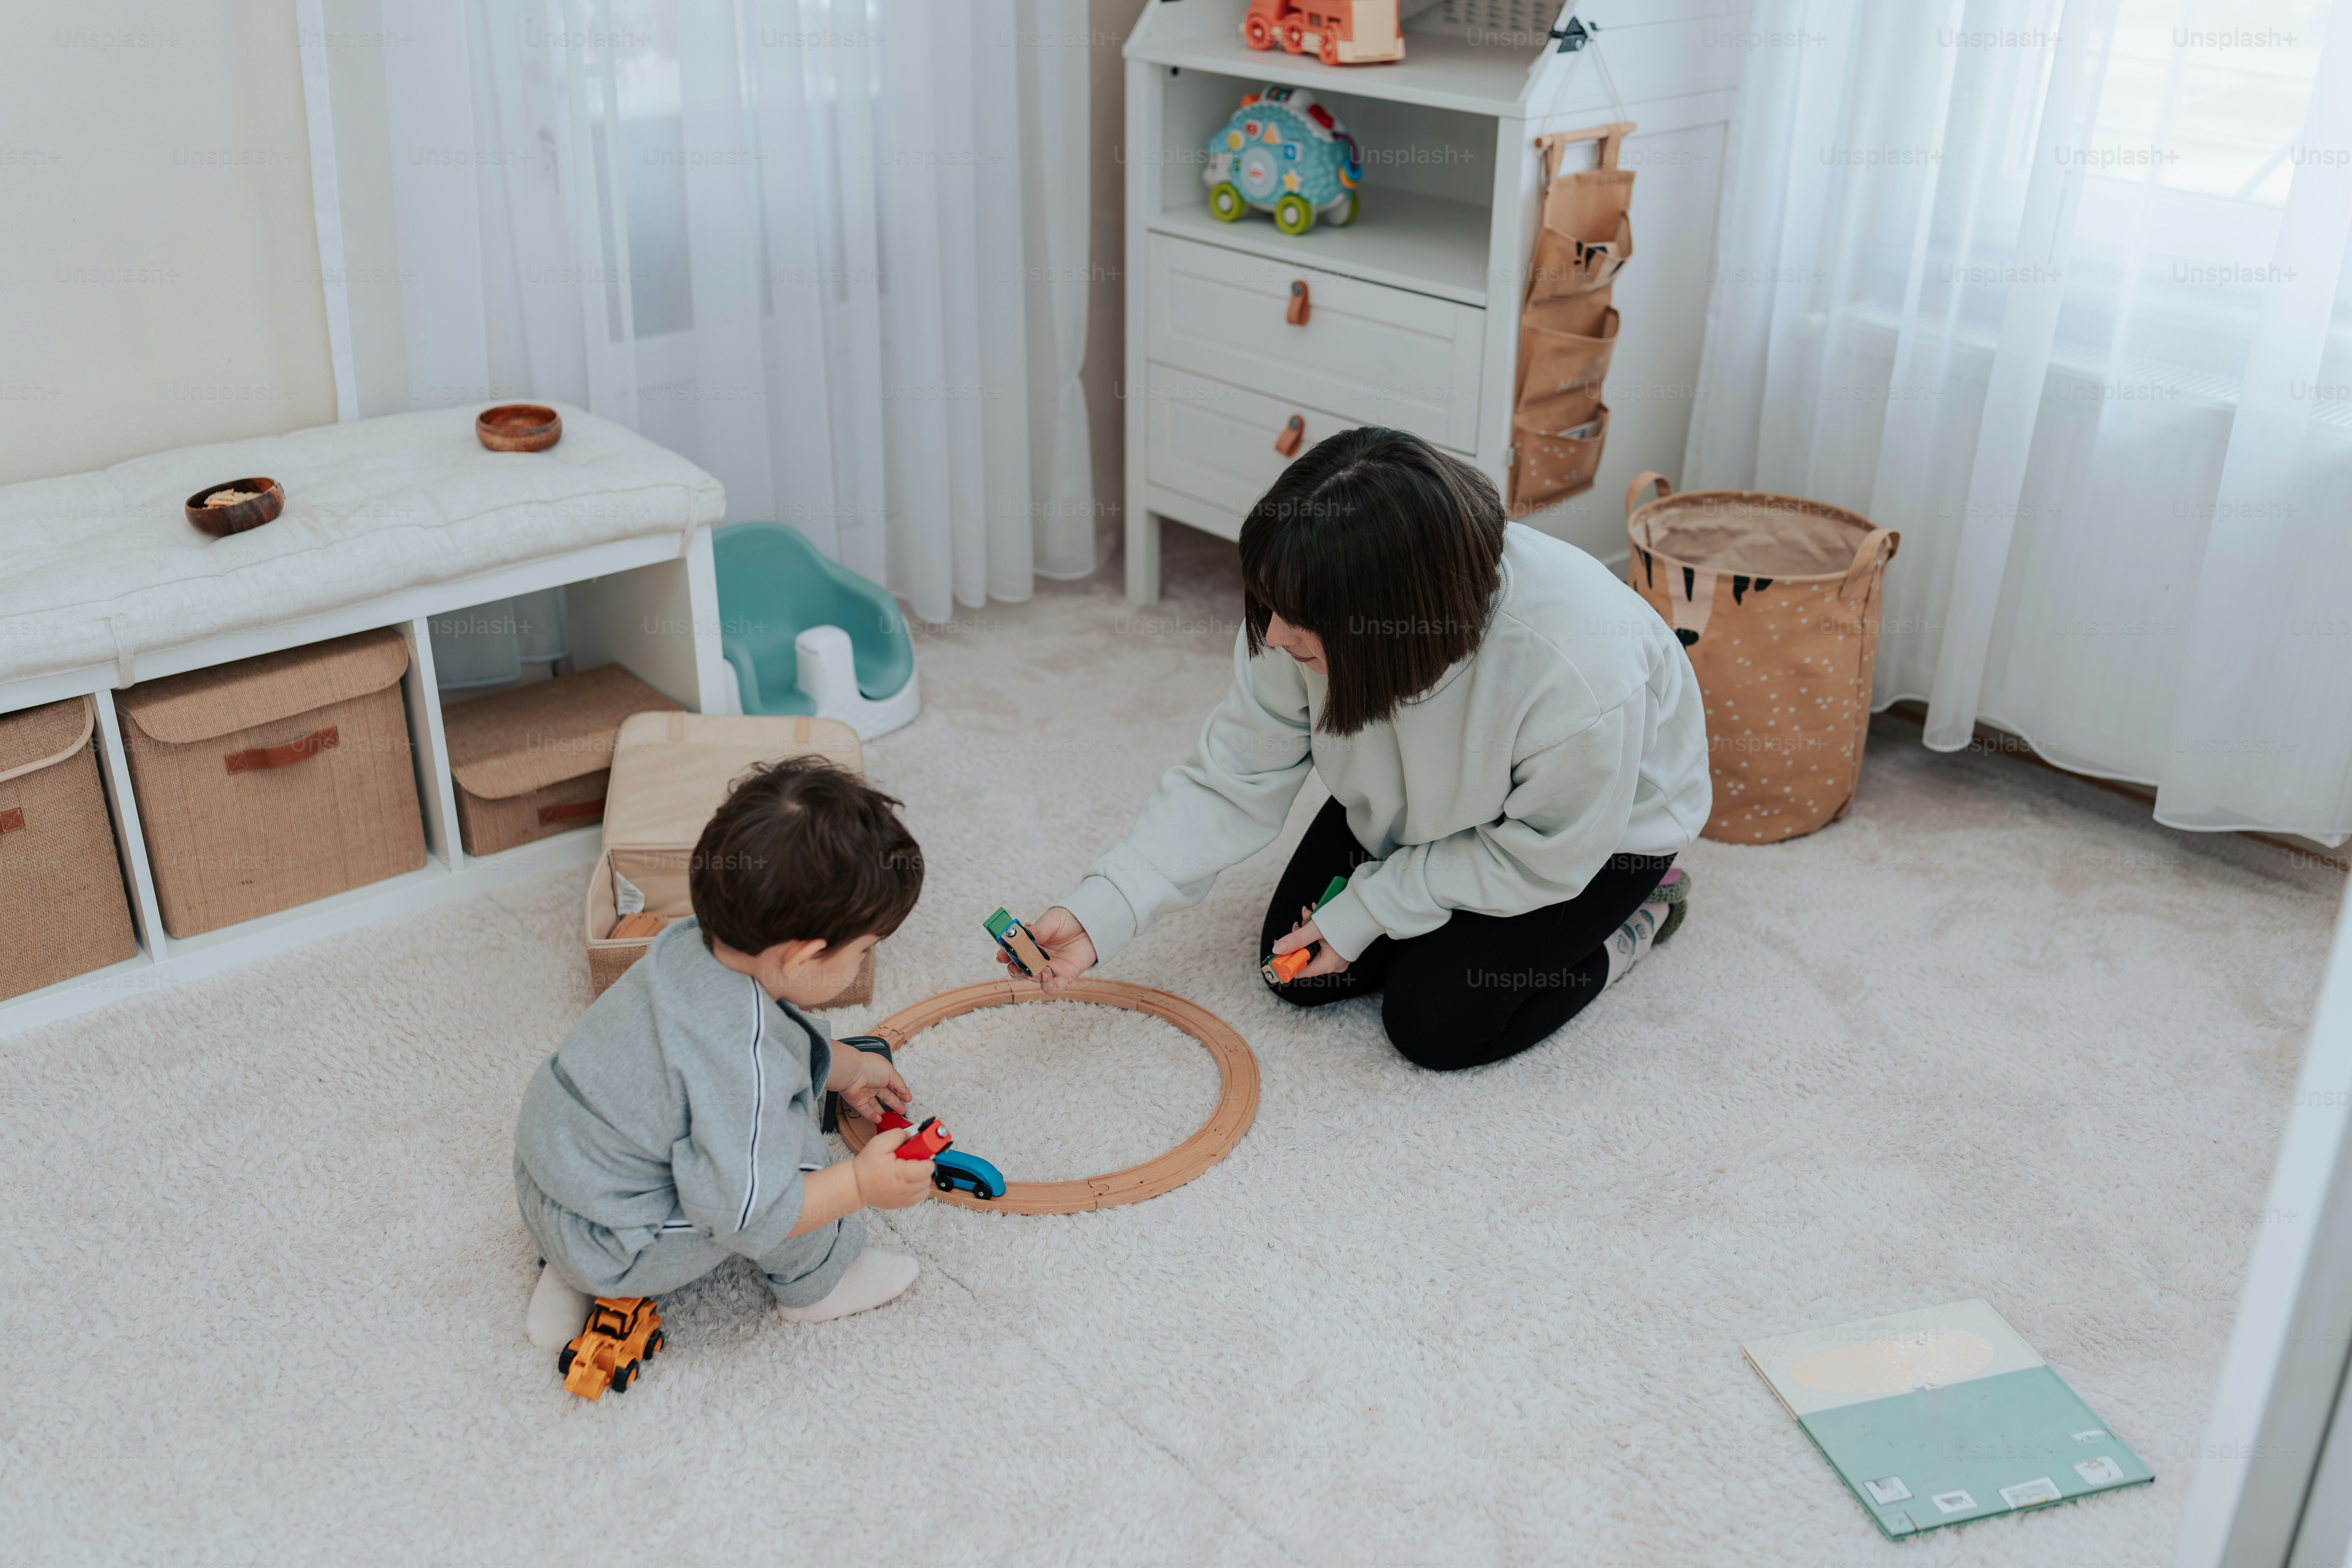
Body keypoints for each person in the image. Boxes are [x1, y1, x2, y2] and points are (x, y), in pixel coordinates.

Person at [1007, 426, 1711, 1071]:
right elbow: (1235, 775)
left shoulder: (1579, 672)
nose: (1275, 635)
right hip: (1417, 798)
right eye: (1271, 603)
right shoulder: (1302, 607)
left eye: (1300, 622)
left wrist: (1375, 905)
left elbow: (1543, 855)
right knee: (1299, 971)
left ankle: (1639, 920)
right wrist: (1108, 905)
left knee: (1436, 1023)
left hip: (1584, 842)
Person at [514, 758, 933, 1350]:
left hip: (549, 1185)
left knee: (649, 1131)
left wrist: (850, 1067)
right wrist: (862, 1185)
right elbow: (749, 1215)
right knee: (790, 1157)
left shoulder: (685, 946)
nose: (864, 962)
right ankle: (821, 1283)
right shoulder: (740, 1063)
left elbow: (773, 1030)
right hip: (620, 1246)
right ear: (802, 956)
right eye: (864, 951)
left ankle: (568, 1271)